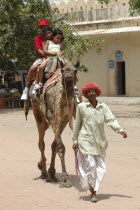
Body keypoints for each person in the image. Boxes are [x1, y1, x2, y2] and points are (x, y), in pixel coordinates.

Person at [72, 82, 127, 203]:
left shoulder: (103, 106)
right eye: (89, 92)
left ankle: (93, 187)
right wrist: (75, 140)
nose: (91, 93)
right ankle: (93, 193)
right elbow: (77, 125)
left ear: (97, 93)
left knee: (101, 168)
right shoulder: (81, 107)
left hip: (100, 142)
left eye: (93, 91)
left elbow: (111, 120)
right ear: (86, 94)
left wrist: (120, 130)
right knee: (91, 165)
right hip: (85, 139)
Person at [21, 20, 53, 100]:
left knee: (69, 67)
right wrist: (47, 55)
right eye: (41, 27)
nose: (43, 29)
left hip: (54, 57)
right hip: (43, 58)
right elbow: (39, 50)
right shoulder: (38, 38)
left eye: (44, 27)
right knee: (32, 68)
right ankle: (26, 89)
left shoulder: (53, 37)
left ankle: (74, 88)